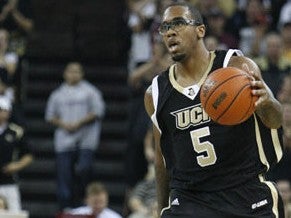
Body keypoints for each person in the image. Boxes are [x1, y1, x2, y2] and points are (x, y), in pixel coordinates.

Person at [144, 2, 285, 217]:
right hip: (190, 200)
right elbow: (162, 159)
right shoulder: (155, 93)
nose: (170, 32)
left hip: (244, 192)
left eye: (179, 23)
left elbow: (274, 120)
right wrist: (162, 207)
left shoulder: (237, 67)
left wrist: (268, 102)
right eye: (165, 27)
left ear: (200, 30)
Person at [45, 62, 105, 210]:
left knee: (84, 169)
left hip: (86, 140)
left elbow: (98, 111)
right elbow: (50, 116)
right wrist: (64, 124)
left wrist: (79, 122)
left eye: (77, 71)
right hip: (64, 141)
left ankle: (84, 203)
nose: (73, 74)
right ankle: (66, 208)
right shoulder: (58, 94)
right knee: (64, 177)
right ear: (65, 74)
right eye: (70, 71)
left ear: (82, 74)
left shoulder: (91, 91)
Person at [0, 96, 33, 212]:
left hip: (9, 180)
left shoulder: (16, 131)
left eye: (1, 110)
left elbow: (28, 155)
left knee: (14, 213)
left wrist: (16, 166)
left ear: (8, 112)